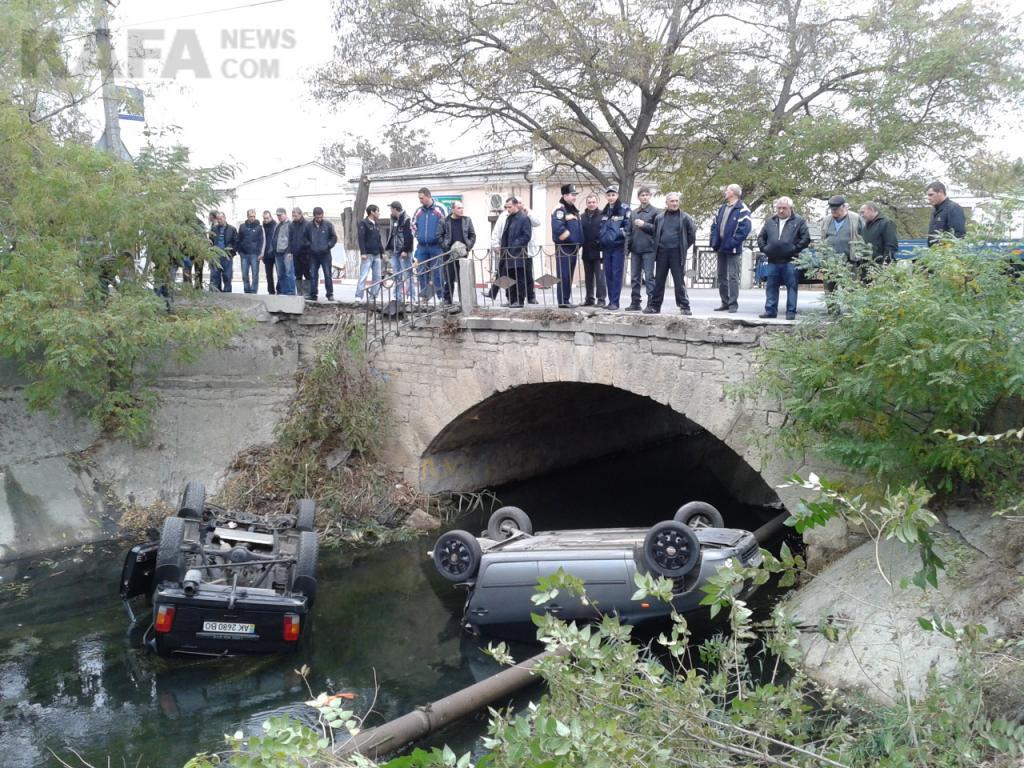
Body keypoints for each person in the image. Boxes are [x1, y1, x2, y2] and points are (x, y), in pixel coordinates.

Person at [756, 196, 811, 320]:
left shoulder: (799, 221)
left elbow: (805, 238)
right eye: (779, 208)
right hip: (773, 260)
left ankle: (791, 312)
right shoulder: (770, 221)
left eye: (784, 208)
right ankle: (770, 310)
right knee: (771, 286)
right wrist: (765, 248)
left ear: (790, 208)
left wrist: (794, 249)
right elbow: (761, 237)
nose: (781, 211)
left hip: (790, 260)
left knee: (792, 286)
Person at [645, 192, 694, 315]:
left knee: (679, 281)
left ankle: (684, 306)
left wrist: (683, 247)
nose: (675, 203)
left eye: (676, 201)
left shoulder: (685, 217)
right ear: (667, 203)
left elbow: (691, 235)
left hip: (677, 253)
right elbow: (655, 233)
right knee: (659, 281)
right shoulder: (659, 218)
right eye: (672, 201)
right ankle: (655, 306)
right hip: (662, 253)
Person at [709, 184, 752, 313]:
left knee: (733, 276)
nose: (725, 192)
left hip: (733, 248)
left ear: (733, 193)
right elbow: (714, 225)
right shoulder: (722, 208)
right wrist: (713, 241)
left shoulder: (742, 209)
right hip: (720, 246)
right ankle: (725, 302)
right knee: (721, 275)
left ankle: (733, 304)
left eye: (727, 190)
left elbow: (745, 229)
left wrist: (732, 242)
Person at [598, 185, 631, 310]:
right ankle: (611, 300)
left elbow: (628, 226)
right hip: (607, 247)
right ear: (606, 196)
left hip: (618, 246)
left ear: (617, 195)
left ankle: (615, 302)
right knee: (608, 274)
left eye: (613, 195)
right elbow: (602, 227)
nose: (611, 197)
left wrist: (619, 235)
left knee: (616, 274)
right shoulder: (606, 210)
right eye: (609, 195)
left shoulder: (624, 209)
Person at [412, 187, 447, 300]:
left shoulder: (440, 209)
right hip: (422, 247)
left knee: (438, 273)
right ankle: (425, 298)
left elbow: (446, 226)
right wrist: (418, 236)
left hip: (436, 247)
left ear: (428, 196)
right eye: (419, 198)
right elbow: (413, 226)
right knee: (421, 272)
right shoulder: (418, 211)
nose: (420, 200)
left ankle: (441, 298)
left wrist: (440, 240)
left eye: (421, 198)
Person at [551, 183, 583, 308]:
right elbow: (559, 230)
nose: (574, 197)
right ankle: (563, 301)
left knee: (568, 275)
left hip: (572, 248)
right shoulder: (560, 209)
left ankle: (566, 299)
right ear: (565, 195)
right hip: (565, 248)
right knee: (564, 275)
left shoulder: (571, 208)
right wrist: (571, 238)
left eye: (575, 195)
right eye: (572, 195)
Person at [627, 186, 658, 311]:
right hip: (635, 249)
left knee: (649, 277)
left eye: (646, 195)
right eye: (642, 195)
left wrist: (645, 225)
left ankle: (651, 303)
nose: (644, 197)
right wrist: (627, 249)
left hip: (649, 249)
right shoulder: (633, 213)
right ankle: (635, 302)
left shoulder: (656, 212)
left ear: (649, 196)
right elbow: (628, 232)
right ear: (638, 197)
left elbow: (657, 229)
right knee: (634, 277)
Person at [440, 200, 476, 304]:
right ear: (453, 209)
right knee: (449, 278)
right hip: (449, 254)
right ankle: (448, 300)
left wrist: (467, 247)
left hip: (462, 254)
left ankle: (464, 300)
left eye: (462, 208)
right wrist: (447, 249)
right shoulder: (444, 221)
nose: (461, 210)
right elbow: (439, 236)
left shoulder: (467, 220)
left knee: (462, 278)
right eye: (459, 208)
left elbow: (472, 235)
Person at [501, 196, 533, 307]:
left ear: (515, 205)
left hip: (518, 253)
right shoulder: (509, 218)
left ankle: (519, 301)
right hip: (508, 254)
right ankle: (511, 300)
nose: (507, 209)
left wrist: (514, 245)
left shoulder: (524, 218)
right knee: (510, 278)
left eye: (509, 207)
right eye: (506, 207)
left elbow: (526, 236)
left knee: (519, 278)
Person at [580, 193, 606, 307]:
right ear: (586, 203)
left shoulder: (603, 216)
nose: (591, 204)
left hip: (599, 252)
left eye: (593, 202)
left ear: (597, 203)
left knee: (600, 277)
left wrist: (600, 243)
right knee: (588, 277)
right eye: (589, 202)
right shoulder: (582, 217)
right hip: (586, 251)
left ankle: (601, 299)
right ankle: (589, 299)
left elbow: (605, 232)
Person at [387, 201, 415, 303]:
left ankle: (412, 297)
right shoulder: (393, 220)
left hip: (403, 251)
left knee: (407, 274)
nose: (390, 211)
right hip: (395, 251)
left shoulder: (407, 219)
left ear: (395, 209)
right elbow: (392, 235)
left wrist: (405, 250)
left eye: (391, 209)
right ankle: (397, 297)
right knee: (396, 275)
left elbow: (409, 236)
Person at [308, 206, 338, 301]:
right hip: (313, 255)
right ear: (314, 216)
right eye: (317, 217)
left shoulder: (328, 225)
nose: (319, 219)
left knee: (327, 274)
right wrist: (310, 246)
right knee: (313, 274)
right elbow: (304, 239)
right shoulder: (308, 226)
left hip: (325, 255)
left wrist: (328, 246)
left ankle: (329, 294)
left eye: (321, 217)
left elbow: (334, 238)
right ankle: (313, 295)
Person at [819, 195, 862, 259]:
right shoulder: (826, 220)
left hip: (849, 260)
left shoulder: (855, 218)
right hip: (828, 260)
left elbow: (863, 238)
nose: (833, 211)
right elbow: (822, 238)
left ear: (844, 206)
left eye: (836, 209)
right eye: (832, 209)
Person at [356, 204, 384, 302]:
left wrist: (382, 252)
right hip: (367, 254)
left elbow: (379, 239)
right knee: (363, 275)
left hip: (376, 254)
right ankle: (358, 297)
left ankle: (373, 296)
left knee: (377, 276)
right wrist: (363, 252)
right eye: (378, 211)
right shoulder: (363, 223)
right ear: (372, 212)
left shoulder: (376, 224)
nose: (379, 213)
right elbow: (361, 238)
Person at [926, 181, 966, 246]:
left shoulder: (953, 208)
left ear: (941, 192)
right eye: (928, 195)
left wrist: (947, 251)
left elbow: (959, 235)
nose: (929, 198)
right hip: (934, 253)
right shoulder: (935, 210)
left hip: (947, 254)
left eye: (931, 195)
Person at [858, 202, 898, 268]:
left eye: (863, 212)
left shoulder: (887, 223)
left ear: (871, 210)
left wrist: (886, 264)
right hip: (866, 267)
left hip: (880, 267)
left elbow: (891, 246)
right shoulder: (866, 226)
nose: (861, 215)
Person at [236, 208, 265, 294]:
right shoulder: (242, 227)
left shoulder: (259, 227)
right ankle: (247, 289)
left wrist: (260, 253)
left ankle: (253, 290)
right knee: (245, 274)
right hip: (244, 254)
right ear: (247, 216)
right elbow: (238, 239)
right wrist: (240, 252)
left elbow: (261, 241)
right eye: (250, 216)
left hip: (255, 255)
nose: (252, 218)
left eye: (254, 216)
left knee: (255, 274)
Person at [208, 212, 237, 292]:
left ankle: (227, 292)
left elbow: (236, 242)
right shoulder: (214, 229)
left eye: (221, 219)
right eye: (218, 219)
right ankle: (215, 293)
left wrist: (232, 252)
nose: (219, 221)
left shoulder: (232, 229)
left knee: (227, 276)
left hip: (227, 256)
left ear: (224, 218)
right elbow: (210, 241)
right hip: (216, 256)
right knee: (215, 276)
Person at [288, 207, 313, 298]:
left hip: (306, 253)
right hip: (295, 253)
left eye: (295, 215)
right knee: (297, 273)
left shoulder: (307, 224)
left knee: (307, 273)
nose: (294, 217)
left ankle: (307, 292)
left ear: (300, 214)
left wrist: (307, 246)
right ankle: (299, 292)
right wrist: (290, 252)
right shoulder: (291, 225)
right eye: (293, 216)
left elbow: (311, 238)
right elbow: (290, 239)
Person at [270, 207, 295, 295]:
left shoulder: (290, 224)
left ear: (285, 214)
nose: (279, 217)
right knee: (280, 273)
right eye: (278, 215)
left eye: (280, 215)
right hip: (277, 252)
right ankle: (283, 292)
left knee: (289, 272)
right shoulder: (278, 225)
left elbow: (292, 239)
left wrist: (290, 251)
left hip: (286, 253)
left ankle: (291, 291)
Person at [261, 210, 277, 294]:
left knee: (279, 273)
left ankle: (280, 289)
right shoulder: (263, 226)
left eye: (267, 218)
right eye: (264, 218)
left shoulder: (275, 225)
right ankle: (271, 291)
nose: (266, 220)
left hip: (275, 253)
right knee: (268, 274)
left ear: (270, 217)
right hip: (266, 254)